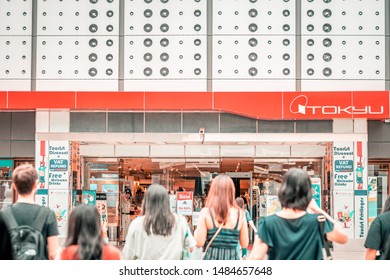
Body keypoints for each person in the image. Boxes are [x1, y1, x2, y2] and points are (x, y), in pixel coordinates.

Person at [249, 168, 348, 260]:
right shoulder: (318, 221)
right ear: (308, 193)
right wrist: (318, 210)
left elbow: (256, 257)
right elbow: (343, 238)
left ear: (283, 190)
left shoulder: (268, 223)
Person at [122, 184, 195, 260]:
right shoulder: (180, 221)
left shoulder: (137, 224)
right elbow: (191, 247)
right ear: (167, 201)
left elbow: (127, 255)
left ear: (146, 202)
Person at [1, 164, 59, 260]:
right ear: (36, 184)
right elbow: (53, 254)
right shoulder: (48, 214)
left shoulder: (3, 215)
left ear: (14, 186)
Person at [194, 174, 248, 260]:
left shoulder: (206, 212)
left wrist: (196, 232)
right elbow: (244, 243)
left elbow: (199, 242)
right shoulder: (240, 214)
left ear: (213, 191)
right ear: (232, 191)